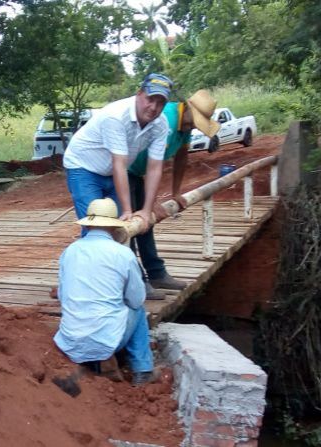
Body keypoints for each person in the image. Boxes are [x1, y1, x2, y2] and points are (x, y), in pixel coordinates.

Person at [53, 198, 158, 386]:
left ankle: (98, 362)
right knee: (138, 310)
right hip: (108, 339)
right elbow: (136, 299)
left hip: (70, 341)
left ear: (88, 225)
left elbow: (62, 296)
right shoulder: (123, 254)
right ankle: (143, 369)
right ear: (113, 226)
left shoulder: (70, 251)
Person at [128, 90, 220, 293]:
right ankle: (137, 281)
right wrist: (150, 203)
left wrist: (176, 192)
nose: (195, 126)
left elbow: (182, 157)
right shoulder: (167, 121)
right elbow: (152, 163)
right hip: (124, 170)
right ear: (186, 108)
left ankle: (156, 274)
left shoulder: (184, 125)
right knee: (131, 225)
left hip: (138, 172)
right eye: (195, 120)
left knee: (146, 224)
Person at [62, 73, 172, 234]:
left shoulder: (160, 123)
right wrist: (127, 211)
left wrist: (147, 210)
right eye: (150, 99)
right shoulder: (116, 116)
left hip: (113, 172)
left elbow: (154, 168)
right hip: (83, 166)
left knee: (119, 228)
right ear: (139, 94)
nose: (154, 107)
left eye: (160, 103)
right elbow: (119, 165)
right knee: (96, 226)